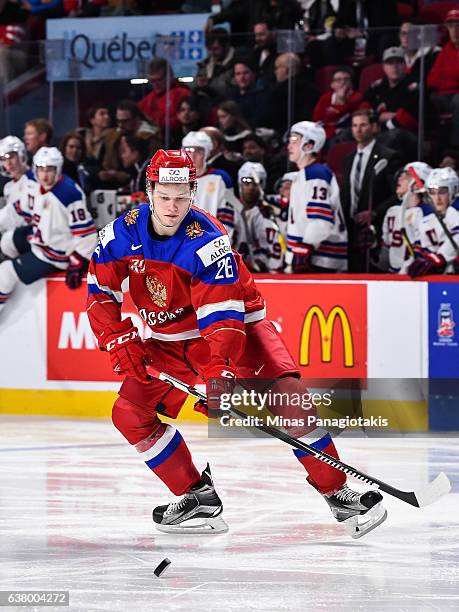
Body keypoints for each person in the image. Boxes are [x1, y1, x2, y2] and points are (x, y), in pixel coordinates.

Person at [86, 148, 386, 537]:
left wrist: (219, 373)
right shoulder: (120, 233)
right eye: (164, 197)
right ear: (149, 191)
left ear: (193, 192)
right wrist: (114, 336)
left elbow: (223, 317)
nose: (172, 207)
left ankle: (338, 493)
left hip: (237, 329)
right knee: (129, 414)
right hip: (168, 340)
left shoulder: (208, 240)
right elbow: (100, 292)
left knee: (290, 399)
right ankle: (197, 497)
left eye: (181, 197)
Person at [0, 147, 98, 313]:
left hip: (55, 254)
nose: (44, 175)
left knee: (5, 272)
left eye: (49, 170)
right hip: (40, 240)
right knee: (7, 241)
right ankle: (24, 273)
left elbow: (86, 233)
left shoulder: (68, 194)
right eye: (41, 169)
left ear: (58, 169)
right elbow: (17, 210)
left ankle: (20, 271)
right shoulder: (36, 186)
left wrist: (77, 259)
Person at [341, 109, 399, 272]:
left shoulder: (387, 156)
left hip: (375, 229)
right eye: (354, 125)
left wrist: (374, 213)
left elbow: (396, 194)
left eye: (363, 125)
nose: (358, 130)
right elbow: (347, 193)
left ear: (374, 127)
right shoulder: (348, 158)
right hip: (350, 229)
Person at [286, 121, 348, 272]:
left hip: (319, 258)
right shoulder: (304, 175)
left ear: (309, 145)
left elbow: (321, 220)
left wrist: (306, 247)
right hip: (313, 257)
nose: (289, 146)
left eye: (294, 140)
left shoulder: (315, 174)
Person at [363, 46, 418, 160]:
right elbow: (364, 110)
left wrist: (381, 122)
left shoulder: (413, 87)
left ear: (405, 65)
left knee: (391, 136)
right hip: (378, 129)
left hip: (408, 134)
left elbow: (408, 118)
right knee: (347, 134)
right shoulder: (377, 87)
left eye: (398, 62)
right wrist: (378, 118)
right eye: (390, 63)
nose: (394, 67)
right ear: (384, 67)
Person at [182, 130, 237, 237]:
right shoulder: (174, 179)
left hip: (211, 243)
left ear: (206, 154)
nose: (192, 156)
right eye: (188, 150)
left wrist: (222, 245)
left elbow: (229, 216)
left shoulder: (221, 178)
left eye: (198, 151)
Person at [232, 161, 284, 272]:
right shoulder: (229, 209)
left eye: (256, 183)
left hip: (266, 274)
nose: (251, 187)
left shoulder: (270, 212)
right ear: (239, 183)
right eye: (246, 182)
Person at [380, 161, 432, 273]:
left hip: (415, 275)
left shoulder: (426, 213)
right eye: (401, 174)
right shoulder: (392, 211)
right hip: (393, 274)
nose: (400, 178)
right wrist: (374, 246)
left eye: (407, 175)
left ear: (418, 184)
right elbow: (386, 251)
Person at [407, 167, 459, 277]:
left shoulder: (454, 213)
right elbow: (424, 251)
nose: (437, 198)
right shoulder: (426, 222)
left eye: (442, 192)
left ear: (453, 191)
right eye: (433, 193)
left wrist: (439, 257)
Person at [0, 136, 37, 259]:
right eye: (4, 159)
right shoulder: (8, 187)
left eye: (11, 156)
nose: (8, 163)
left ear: (21, 155)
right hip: (13, 237)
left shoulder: (34, 179)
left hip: (33, 235)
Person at [427, 10, 459, 148]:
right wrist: (453, 77)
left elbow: (442, 77)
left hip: (456, 97)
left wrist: (446, 76)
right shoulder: (445, 50)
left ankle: (454, 149)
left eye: (458, 25)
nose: (455, 31)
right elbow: (431, 79)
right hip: (443, 96)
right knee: (421, 97)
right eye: (451, 26)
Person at [269, 53, 320, 136]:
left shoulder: (279, 91)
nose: (275, 72)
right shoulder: (312, 87)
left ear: (287, 70)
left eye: (277, 68)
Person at [312, 65, 364, 141]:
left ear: (351, 83)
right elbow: (317, 121)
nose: (343, 82)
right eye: (338, 80)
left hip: (348, 133)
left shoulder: (358, 97)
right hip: (327, 134)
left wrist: (342, 100)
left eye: (346, 79)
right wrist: (332, 131)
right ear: (332, 84)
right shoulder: (325, 98)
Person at [138, 58, 191, 131]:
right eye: (152, 81)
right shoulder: (146, 101)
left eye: (159, 80)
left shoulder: (182, 94)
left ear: (170, 77)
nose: (155, 84)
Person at [228, 58, 271, 128]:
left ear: (253, 74)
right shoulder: (231, 95)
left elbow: (258, 120)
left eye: (245, 73)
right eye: (238, 74)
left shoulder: (263, 95)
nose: (242, 77)